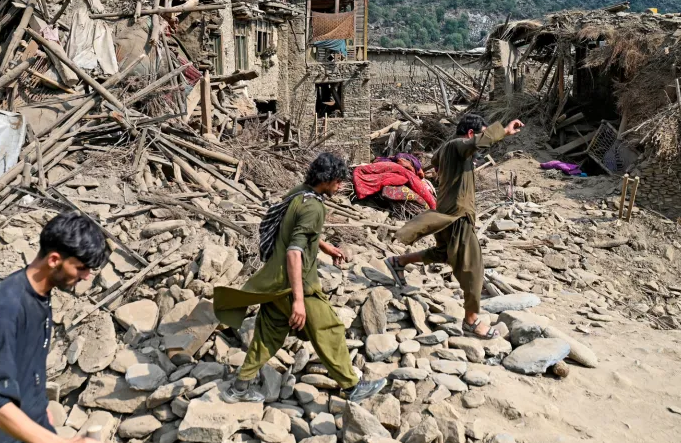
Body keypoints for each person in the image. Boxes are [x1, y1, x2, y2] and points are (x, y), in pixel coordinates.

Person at [214, 153, 386, 403]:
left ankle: (239, 388)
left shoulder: (299, 193)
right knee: (330, 329)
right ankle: (351, 386)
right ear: (326, 180)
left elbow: (296, 232)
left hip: (273, 282)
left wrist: (324, 246)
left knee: (268, 335)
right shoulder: (314, 207)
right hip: (296, 284)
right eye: (338, 180)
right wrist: (298, 300)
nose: (341, 184)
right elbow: (295, 252)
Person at [0, 212, 110, 443]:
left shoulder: (40, 296)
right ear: (54, 260)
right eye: (81, 268)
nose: (87, 277)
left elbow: (27, 367)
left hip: (31, 435)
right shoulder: (6, 308)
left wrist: (41, 410)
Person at [386, 114, 523, 339]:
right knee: (474, 268)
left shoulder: (446, 150)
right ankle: (471, 321)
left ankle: (398, 262)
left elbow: (437, 163)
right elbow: (477, 143)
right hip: (457, 217)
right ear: (470, 134)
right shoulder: (458, 146)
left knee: (443, 253)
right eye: (480, 133)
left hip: (447, 214)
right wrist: (504, 131)